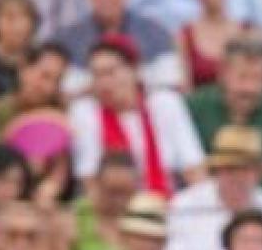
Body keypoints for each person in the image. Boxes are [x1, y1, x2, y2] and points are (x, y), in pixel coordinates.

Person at [67, 34, 205, 192]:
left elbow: (193, 169)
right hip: (113, 207)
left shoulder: (165, 103)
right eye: (97, 75)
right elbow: (88, 179)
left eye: (110, 73)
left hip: (168, 204)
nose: (104, 83)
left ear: (134, 69)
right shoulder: (86, 113)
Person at [186, 33, 262, 206]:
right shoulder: (195, 107)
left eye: (258, 79)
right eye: (243, 77)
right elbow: (187, 168)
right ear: (223, 74)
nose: (249, 88)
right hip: (205, 208)